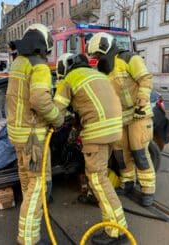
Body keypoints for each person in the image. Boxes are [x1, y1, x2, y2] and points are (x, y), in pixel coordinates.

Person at [54, 53, 128, 245]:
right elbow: (95, 103)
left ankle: (115, 232)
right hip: (114, 131)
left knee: (98, 180)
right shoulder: (98, 75)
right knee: (101, 177)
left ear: (64, 68)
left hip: (97, 134)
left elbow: (56, 112)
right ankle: (117, 225)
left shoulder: (70, 79)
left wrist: (51, 125)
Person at [6, 23, 64, 245]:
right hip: (33, 137)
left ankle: (30, 221)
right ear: (44, 43)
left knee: (27, 182)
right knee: (36, 187)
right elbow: (40, 100)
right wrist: (57, 119)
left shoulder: (18, 63)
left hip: (18, 134)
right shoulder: (39, 66)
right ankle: (28, 238)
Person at [87, 32, 156, 207]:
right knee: (120, 154)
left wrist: (141, 102)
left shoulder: (129, 59)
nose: (97, 59)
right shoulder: (103, 70)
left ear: (105, 48)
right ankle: (128, 183)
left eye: (98, 55)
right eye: (95, 56)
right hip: (120, 119)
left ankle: (148, 190)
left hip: (138, 115)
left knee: (139, 152)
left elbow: (145, 79)